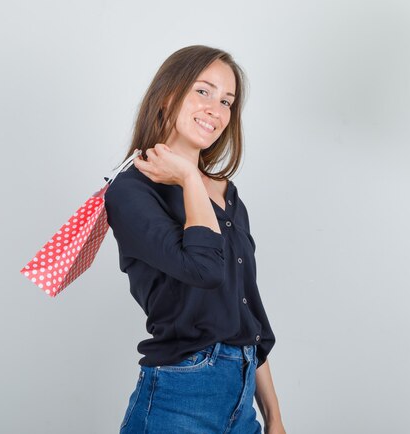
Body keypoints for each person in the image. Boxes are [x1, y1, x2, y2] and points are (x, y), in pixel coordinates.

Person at [104, 45, 286, 434]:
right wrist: (189, 177)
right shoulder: (131, 192)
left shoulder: (227, 194)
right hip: (180, 398)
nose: (216, 110)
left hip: (242, 396)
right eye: (203, 91)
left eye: (227, 101)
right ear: (169, 95)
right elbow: (204, 270)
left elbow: (247, 311)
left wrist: (274, 417)